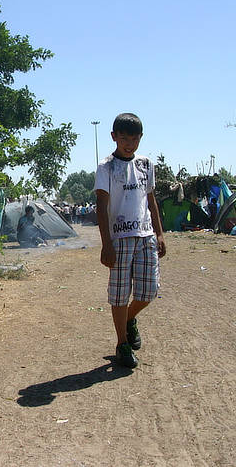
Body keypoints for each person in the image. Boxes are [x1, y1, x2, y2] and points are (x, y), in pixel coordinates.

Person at [94, 113, 166, 368]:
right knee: (119, 294)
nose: (129, 144)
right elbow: (101, 206)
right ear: (114, 137)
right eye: (124, 138)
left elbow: (151, 200)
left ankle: (128, 319)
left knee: (149, 291)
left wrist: (159, 233)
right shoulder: (106, 167)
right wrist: (106, 243)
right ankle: (122, 344)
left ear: (140, 139)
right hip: (120, 238)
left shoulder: (146, 164)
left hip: (145, 235)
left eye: (134, 139)